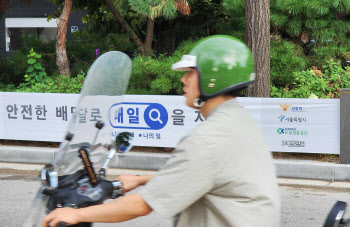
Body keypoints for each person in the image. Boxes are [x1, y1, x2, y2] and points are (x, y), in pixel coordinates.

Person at [42, 35, 281, 227]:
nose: (183, 80)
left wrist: (76, 216)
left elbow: (141, 206)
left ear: (212, 78)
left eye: (190, 72)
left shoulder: (207, 140)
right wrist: (140, 180)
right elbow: (205, 174)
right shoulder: (238, 122)